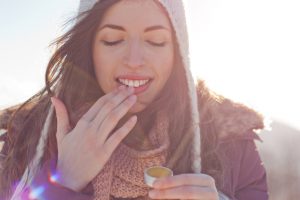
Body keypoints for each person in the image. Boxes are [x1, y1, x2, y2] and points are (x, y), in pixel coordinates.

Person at [0, 0, 268, 199]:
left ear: (178, 53)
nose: (135, 61)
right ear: (89, 47)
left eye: (155, 41)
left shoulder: (229, 141)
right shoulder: (27, 137)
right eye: (114, 40)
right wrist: (63, 181)